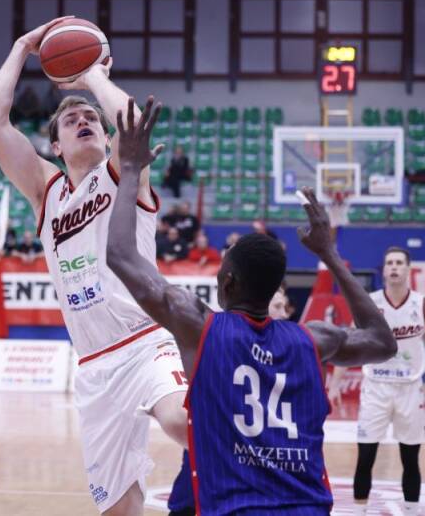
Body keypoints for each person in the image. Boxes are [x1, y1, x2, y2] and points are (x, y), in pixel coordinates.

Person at [104, 96, 397, 516]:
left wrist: (130, 168)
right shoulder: (314, 339)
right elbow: (382, 341)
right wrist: (329, 254)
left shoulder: (199, 326)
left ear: (227, 281)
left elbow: (119, 254)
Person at [0, 18, 188, 516]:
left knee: (184, 423)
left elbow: (132, 123)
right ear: (54, 147)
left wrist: (93, 74)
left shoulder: (123, 172)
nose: (84, 120)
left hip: (146, 339)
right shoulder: (45, 191)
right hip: (95, 366)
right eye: (71, 121)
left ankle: (234, 492)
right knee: (118, 510)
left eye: (91, 118)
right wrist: (21, 48)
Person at [328, 247, 425, 515]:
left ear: (408, 269)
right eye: (390, 263)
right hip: (376, 387)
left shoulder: (422, 303)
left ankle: (410, 510)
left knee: (410, 458)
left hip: (410, 388)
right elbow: (349, 343)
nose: (394, 267)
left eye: (399, 263)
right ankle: (360, 511)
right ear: (384, 270)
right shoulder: (370, 303)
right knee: (365, 457)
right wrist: (336, 383)